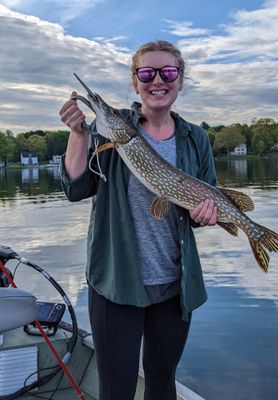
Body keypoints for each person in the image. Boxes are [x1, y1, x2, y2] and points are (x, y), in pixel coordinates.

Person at [59, 40, 217, 400]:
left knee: (162, 387)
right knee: (117, 391)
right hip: (116, 282)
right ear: (135, 82)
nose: (157, 80)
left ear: (180, 80)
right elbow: (75, 187)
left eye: (168, 71)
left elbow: (202, 204)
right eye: (146, 73)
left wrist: (206, 215)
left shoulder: (196, 139)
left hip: (174, 286)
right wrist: (78, 133)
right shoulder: (111, 132)